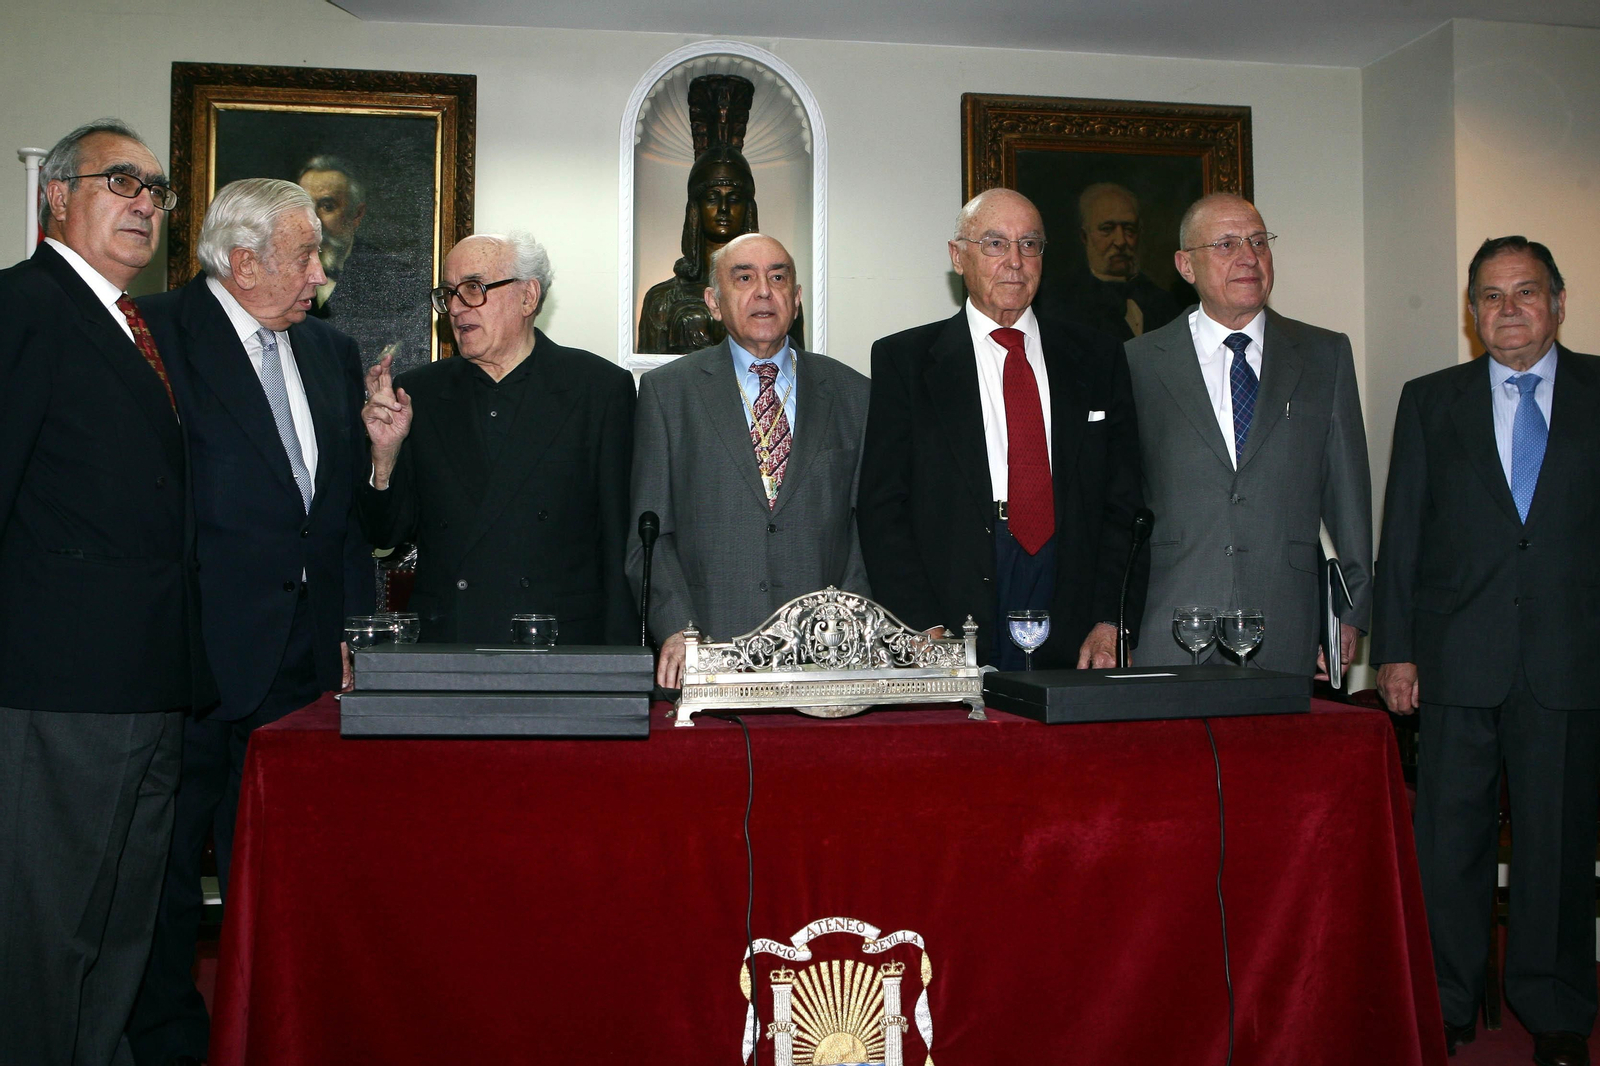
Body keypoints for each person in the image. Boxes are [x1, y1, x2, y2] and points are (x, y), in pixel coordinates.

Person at [125, 178, 372, 1066]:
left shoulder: (330, 353)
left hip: (301, 670)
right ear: (241, 260)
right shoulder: (152, 335)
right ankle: (167, 1043)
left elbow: (334, 511)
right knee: (161, 888)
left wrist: (352, 630)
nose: (320, 274)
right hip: (186, 663)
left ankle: (268, 1036)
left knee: (282, 881)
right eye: (305, 255)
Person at [0, 119, 213, 1065]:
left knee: (122, 933)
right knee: (47, 940)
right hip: (59, 690)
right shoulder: (24, 307)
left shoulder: (135, 325)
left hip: (149, 684)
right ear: (55, 195)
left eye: (157, 190)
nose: (145, 203)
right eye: (121, 180)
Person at [1374, 237, 1600, 1066]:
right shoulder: (1431, 400)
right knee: (1451, 844)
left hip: (1573, 661)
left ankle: (1558, 1010)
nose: (1509, 309)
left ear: (1560, 302)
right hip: (1455, 658)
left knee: (1559, 846)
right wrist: (1394, 651)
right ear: (1472, 314)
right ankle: (1449, 1000)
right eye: (1491, 296)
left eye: (1526, 292)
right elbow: (1402, 535)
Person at [858, 188, 1145, 671]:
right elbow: (883, 508)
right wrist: (919, 623)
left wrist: (1110, 621)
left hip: (1069, 589)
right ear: (958, 256)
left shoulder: (1098, 357)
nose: (1015, 261)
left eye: (1029, 244)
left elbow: (1124, 505)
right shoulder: (904, 361)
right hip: (954, 601)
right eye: (995, 243)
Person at [1123, 193, 1371, 676]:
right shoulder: (1139, 363)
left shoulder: (1325, 355)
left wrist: (1351, 611)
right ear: (1185, 265)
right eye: (1226, 244)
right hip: (1169, 619)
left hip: (1288, 619)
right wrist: (1114, 620)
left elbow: (1349, 496)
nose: (1248, 256)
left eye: (1259, 241)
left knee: (1277, 754)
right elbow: (1119, 504)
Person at [360, 232, 637, 644]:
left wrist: (622, 667)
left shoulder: (598, 388)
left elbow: (620, 541)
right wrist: (384, 456)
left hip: (558, 641)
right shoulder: (419, 393)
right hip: (451, 639)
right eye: (448, 294)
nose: (454, 308)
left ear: (528, 297)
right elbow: (386, 537)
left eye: (473, 289)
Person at [629, 232, 870, 688]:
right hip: (708, 652)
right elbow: (650, 537)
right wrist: (677, 627)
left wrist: (853, 632)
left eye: (778, 277)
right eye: (744, 277)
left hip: (826, 659)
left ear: (796, 300)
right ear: (714, 302)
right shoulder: (668, 393)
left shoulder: (853, 394)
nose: (764, 291)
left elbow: (865, 533)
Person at [636, 74, 804, 356]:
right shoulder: (663, 297)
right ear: (696, 208)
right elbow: (653, 382)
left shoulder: (779, 295)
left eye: (734, 198)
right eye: (712, 198)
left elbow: (798, 367)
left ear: (748, 208)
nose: (724, 209)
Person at [298, 155, 433, 373]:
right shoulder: (276, 273)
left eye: (327, 206)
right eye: (304, 207)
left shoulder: (397, 279)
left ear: (357, 214)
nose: (313, 221)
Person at [1056, 182, 1181, 341]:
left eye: (1129, 229)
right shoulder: (1064, 305)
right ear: (1085, 236)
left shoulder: (1163, 302)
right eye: (1107, 229)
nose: (1121, 241)